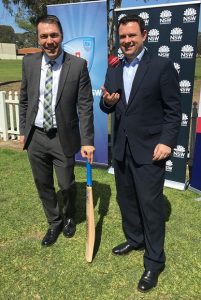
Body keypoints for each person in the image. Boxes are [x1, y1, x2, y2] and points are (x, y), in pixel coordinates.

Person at [100, 15, 181, 293]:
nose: (127, 41)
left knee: (151, 207)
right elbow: (107, 103)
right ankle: (135, 239)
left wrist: (167, 142)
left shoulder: (161, 66)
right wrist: (107, 102)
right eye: (122, 37)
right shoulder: (114, 66)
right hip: (122, 149)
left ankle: (154, 261)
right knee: (127, 200)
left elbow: (173, 110)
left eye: (132, 35)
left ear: (144, 35)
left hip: (150, 151)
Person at [19, 15, 95, 247]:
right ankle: (54, 221)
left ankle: (69, 215)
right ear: (38, 38)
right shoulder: (29, 63)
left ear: (61, 36)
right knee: (42, 183)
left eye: (54, 35)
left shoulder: (78, 65)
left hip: (63, 137)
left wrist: (87, 140)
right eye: (44, 36)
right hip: (36, 136)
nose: (49, 40)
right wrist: (23, 129)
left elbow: (85, 106)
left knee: (66, 184)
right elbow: (24, 99)